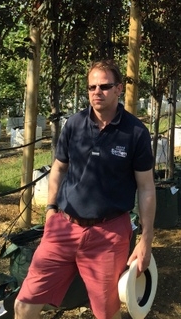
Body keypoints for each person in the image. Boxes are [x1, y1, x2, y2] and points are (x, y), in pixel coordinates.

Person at [14, 59, 156, 319]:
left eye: (104, 86)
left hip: (108, 234)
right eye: (91, 87)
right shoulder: (74, 125)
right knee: (24, 305)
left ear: (119, 89)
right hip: (63, 227)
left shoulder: (135, 133)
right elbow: (58, 169)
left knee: (106, 313)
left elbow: (146, 188)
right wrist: (50, 210)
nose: (96, 92)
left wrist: (146, 238)